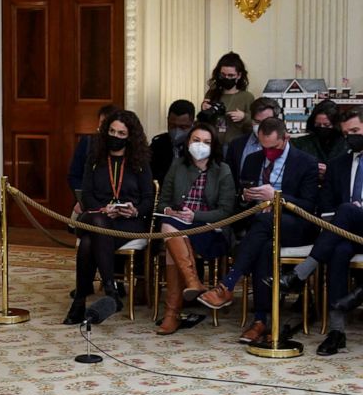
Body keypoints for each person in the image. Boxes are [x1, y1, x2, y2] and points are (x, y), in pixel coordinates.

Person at [197, 117, 319, 343]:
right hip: (258, 226)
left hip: (296, 225)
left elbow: (309, 205)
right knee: (263, 244)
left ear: (286, 138)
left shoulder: (305, 162)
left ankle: (229, 283)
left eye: (273, 147)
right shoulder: (253, 159)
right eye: (264, 147)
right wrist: (245, 196)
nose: (268, 152)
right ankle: (262, 320)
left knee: (264, 224)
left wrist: (276, 197)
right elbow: (241, 199)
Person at [268, 108, 363, 355]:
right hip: (346, 233)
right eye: (346, 134)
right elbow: (326, 207)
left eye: (355, 131)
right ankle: (337, 331)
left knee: (348, 209)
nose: (350, 137)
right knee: (338, 251)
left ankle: (302, 272)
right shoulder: (339, 164)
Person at [63, 110, 153, 324]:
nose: (115, 136)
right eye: (112, 131)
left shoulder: (139, 162)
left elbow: (148, 199)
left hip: (127, 222)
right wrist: (103, 210)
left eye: (121, 133)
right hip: (96, 216)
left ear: (130, 136)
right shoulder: (94, 159)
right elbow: (87, 195)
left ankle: (79, 303)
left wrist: (134, 210)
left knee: (87, 243)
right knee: (98, 222)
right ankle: (111, 289)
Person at [155, 124, 235, 334]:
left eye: (206, 142)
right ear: (188, 143)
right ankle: (192, 283)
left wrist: (195, 216)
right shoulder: (177, 166)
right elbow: (162, 201)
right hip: (178, 223)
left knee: (170, 232)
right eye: (196, 140)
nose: (200, 145)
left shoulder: (222, 170)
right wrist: (169, 210)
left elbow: (226, 211)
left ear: (214, 146)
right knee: (169, 226)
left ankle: (173, 312)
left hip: (209, 228)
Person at [67, 103, 120, 213]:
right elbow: (74, 176)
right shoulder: (87, 143)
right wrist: (83, 199)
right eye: (102, 123)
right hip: (89, 200)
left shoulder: (124, 147)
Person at [198, 52, 255, 146]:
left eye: (231, 75)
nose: (226, 78)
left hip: (236, 146)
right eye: (223, 75)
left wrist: (244, 117)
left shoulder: (247, 97)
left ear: (239, 75)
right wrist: (204, 110)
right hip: (214, 145)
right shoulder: (211, 94)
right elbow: (203, 123)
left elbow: (254, 124)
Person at [224, 97, 280, 189]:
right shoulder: (236, 145)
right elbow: (229, 181)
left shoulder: (285, 146)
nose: (262, 127)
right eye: (257, 122)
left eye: (267, 122)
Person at [291, 99, 345, 179]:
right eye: (318, 124)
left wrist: (329, 171)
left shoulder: (346, 145)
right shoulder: (300, 143)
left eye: (326, 125)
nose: (322, 128)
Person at [149, 99, 195, 185]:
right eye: (172, 126)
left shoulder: (199, 146)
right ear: (167, 120)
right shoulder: (158, 144)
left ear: (192, 123)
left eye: (183, 127)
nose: (176, 131)